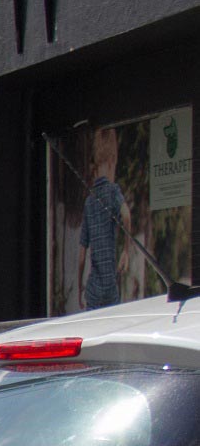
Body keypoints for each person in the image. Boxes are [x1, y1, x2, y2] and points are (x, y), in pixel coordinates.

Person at [79, 127, 132, 310]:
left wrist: (80, 287)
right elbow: (126, 214)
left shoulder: (89, 202)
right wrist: (126, 250)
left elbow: (82, 254)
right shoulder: (112, 191)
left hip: (93, 287)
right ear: (112, 162)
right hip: (110, 287)